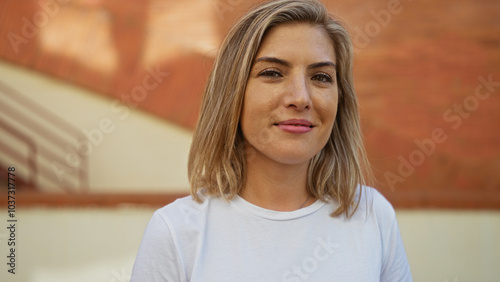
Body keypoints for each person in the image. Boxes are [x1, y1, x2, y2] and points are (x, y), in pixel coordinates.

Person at [131, 0, 412, 281]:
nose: (300, 97)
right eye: (273, 73)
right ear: (233, 92)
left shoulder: (373, 216)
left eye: (321, 77)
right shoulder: (175, 232)